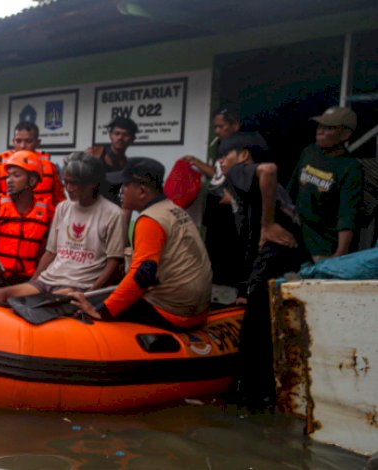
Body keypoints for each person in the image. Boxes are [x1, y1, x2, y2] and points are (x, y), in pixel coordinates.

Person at [218, 132, 310, 407]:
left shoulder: (238, 172)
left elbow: (268, 169)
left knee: (254, 333)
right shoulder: (243, 188)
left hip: (275, 252)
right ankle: (267, 394)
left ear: (243, 156)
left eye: (225, 156)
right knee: (266, 325)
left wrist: (267, 225)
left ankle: (251, 399)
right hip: (285, 258)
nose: (221, 163)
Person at [69, 158, 213, 330]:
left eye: (125, 185)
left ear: (142, 191)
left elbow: (143, 275)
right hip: (196, 308)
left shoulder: (150, 220)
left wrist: (102, 311)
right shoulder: (173, 209)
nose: (120, 191)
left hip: (173, 312)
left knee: (83, 312)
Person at [0, 152, 124, 304]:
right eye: (66, 182)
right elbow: (50, 252)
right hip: (49, 279)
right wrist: (33, 282)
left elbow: (113, 261)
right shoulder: (62, 208)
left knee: (41, 304)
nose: (68, 188)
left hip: (78, 285)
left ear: (92, 183)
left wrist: (92, 292)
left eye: (74, 183)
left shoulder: (112, 213)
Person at [181, 107, 245, 295]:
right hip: (216, 208)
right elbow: (217, 174)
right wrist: (196, 162)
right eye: (215, 127)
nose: (217, 131)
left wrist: (234, 196)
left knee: (230, 252)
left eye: (221, 126)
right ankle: (214, 291)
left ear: (235, 125)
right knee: (212, 251)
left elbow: (247, 178)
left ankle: (232, 293)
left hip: (231, 212)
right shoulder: (221, 146)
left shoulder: (241, 148)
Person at [288, 106, 363, 261]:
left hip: (323, 248)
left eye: (328, 128)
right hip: (297, 239)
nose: (320, 131)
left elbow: (348, 215)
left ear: (345, 135)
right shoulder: (309, 152)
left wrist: (339, 256)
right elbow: (292, 190)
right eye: (320, 125)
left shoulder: (350, 168)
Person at [0, 151, 53, 295]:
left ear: (32, 180)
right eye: (8, 176)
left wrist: (37, 277)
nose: (9, 180)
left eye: (16, 175)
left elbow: (50, 251)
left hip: (29, 278)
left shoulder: (49, 213)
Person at [0, 121, 65, 210]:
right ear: (13, 142)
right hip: (8, 220)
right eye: (18, 141)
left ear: (37, 142)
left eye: (28, 141)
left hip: (41, 220)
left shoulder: (51, 168)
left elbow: (60, 202)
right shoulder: (0, 168)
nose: (23, 146)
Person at [85, 117, 138, 205]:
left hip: (114, 212)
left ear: (132, 139)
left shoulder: (127, 166)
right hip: (91, 209)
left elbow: (126, 200)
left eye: (125, 135)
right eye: (117, 133)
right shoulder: (93, 154)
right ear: (110, 135)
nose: (120, 137)